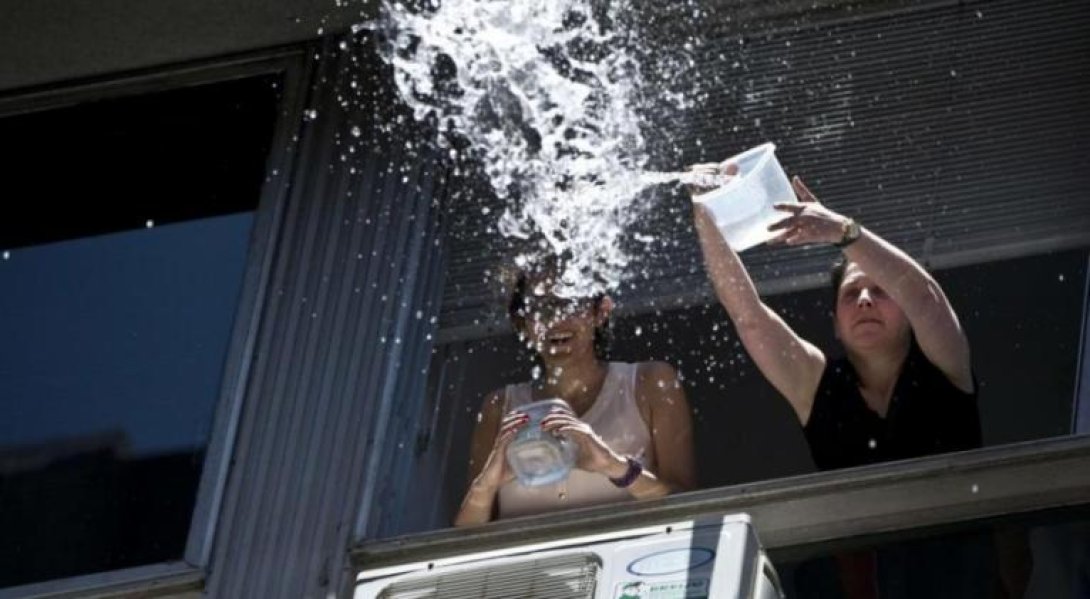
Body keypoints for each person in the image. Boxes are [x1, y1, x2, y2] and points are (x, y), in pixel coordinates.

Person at [689, 161, 991, 598]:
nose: (865, 299)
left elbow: (924, 296)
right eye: (851, 294)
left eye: (879, 292)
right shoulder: (819, 384)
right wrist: (704, 210)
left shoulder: (945, 365)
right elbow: (749, 318)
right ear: (835, 323)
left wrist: (844, 233)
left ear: (905, 315)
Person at [453, 261, 697, 526]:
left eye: (570, 302)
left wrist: (614, 467)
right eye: (539, 307)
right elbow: (465, 538)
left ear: (601, 312)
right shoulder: (499, 406)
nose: (555, 319)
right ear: (522, 323)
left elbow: (689, 505)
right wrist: (484, 489)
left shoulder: (650, 382)